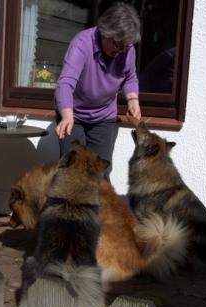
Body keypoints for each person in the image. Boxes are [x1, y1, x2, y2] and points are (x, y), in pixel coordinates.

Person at [54, 2, 142, 178]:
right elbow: (65, 83)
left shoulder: (127, 49)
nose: (120, 50)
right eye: (117, 45)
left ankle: (98, 207)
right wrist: (67, 115)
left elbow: (130, 76)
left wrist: (133, 100)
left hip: (103, 116)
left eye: (125, 46)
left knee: (101, 173)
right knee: (73, 172)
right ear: (105, 32)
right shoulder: (82, 44)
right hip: (74, 115)